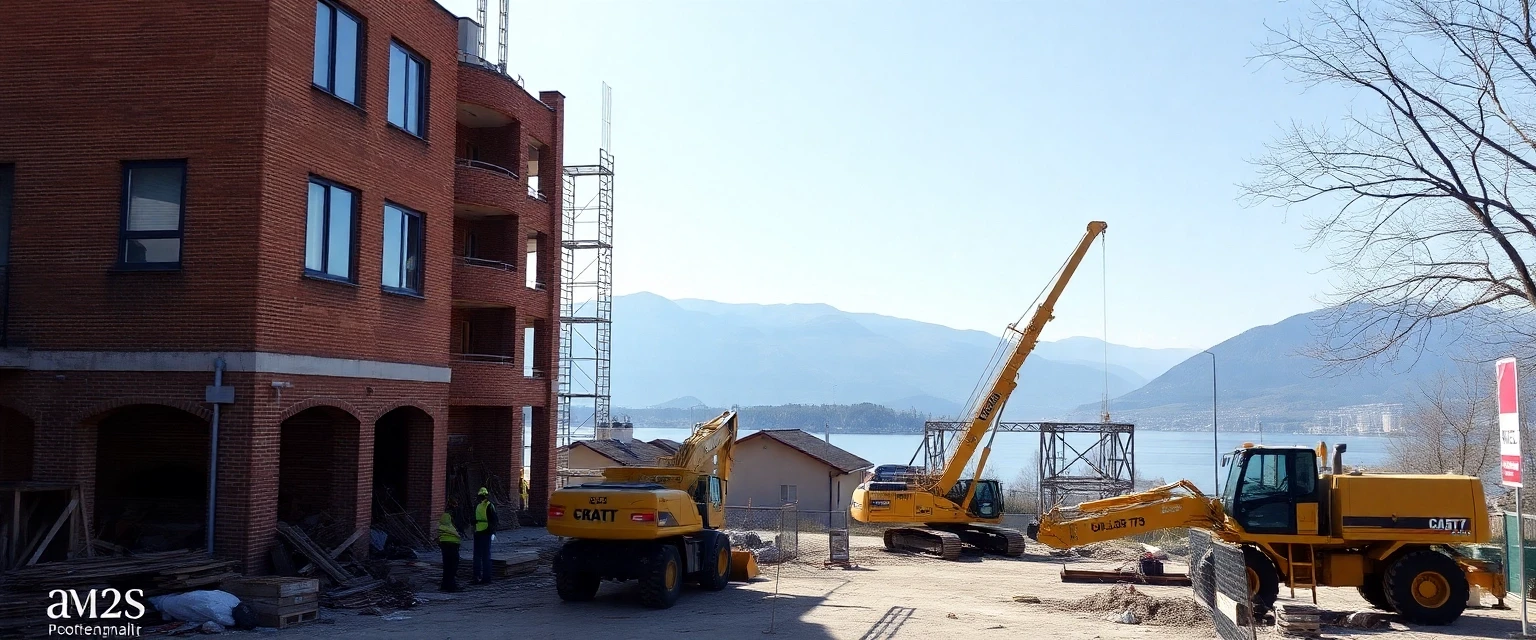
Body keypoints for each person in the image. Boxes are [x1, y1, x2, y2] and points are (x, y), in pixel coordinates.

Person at [437, 498, 464, 592]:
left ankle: (444, 585)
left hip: (444, 542)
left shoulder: (444, 516)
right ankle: (451, 586)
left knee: (446, 565)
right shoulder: (455, 514)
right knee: (453, 565)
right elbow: (459, 526)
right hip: (453, 542)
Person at [472, 487, 498, 584]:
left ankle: (480, 577)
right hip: (483, 532)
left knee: (480, 556)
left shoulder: (481, 505)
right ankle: (483, 578)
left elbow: (493, 519)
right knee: (483, 556)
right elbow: (494, 520)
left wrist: (492, 532)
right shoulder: (485, 505)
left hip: (481, 531)